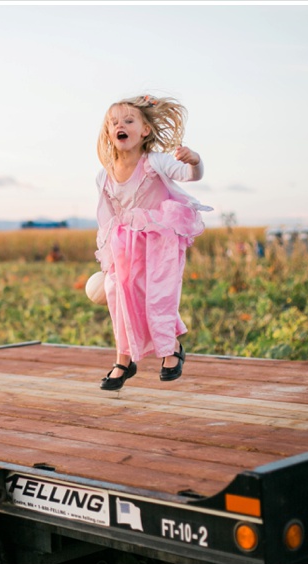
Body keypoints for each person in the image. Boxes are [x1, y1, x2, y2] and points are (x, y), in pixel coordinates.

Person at [93, 94, 212, 390]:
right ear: (109, 133)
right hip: (125, 244)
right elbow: (106, 218)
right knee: (118, 294)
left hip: (160, 239)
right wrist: (108, 259)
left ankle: (170, 349)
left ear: (145, 130)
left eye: (129, 121)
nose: (120, 125)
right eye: (113, 122)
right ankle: (124, 358)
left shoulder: (154, 162)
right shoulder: (104, 175)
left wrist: (195, 161)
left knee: (157, 294)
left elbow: (189, 175)